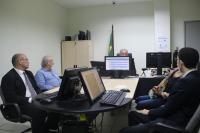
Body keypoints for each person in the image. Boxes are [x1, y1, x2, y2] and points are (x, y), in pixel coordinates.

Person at [120, 47, 200, 133]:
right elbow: (175, 101)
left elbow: (168, 108)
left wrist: (149, 111)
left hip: (171, 123)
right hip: (177, 116)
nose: (176, 62)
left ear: (181, 62)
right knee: (133, 114)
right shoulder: (195, 77)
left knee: (124, 130)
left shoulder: (186, 81)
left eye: (177, 59)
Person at [1, 53, 48, 133]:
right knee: (40, 110)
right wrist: (29, 99)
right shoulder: (8, 77)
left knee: (53, 106)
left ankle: (48, 129)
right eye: (26, 59)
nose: (28, 61)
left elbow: (36, 88)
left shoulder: (29, 73)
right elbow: (11, 97)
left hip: (35, 100)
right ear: (20, 61)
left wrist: (43, 96)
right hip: (20, 105)